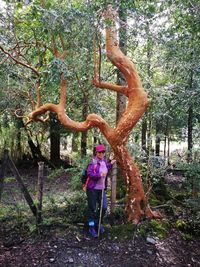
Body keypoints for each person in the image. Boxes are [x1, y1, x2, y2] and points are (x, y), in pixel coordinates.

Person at [86, 144, 116, 238]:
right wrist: (100, 175)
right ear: (96, 152)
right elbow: (89, 174)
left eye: (103, 152)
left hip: (102, 189)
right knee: (92, 208)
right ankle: (91, 227)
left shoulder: (103, 162)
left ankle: (97, 222)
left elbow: (106, 168)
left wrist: (111, 164)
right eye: (99, 152)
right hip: (92, 189)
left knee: (104, 207)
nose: (101, 153)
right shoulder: (93, 162)